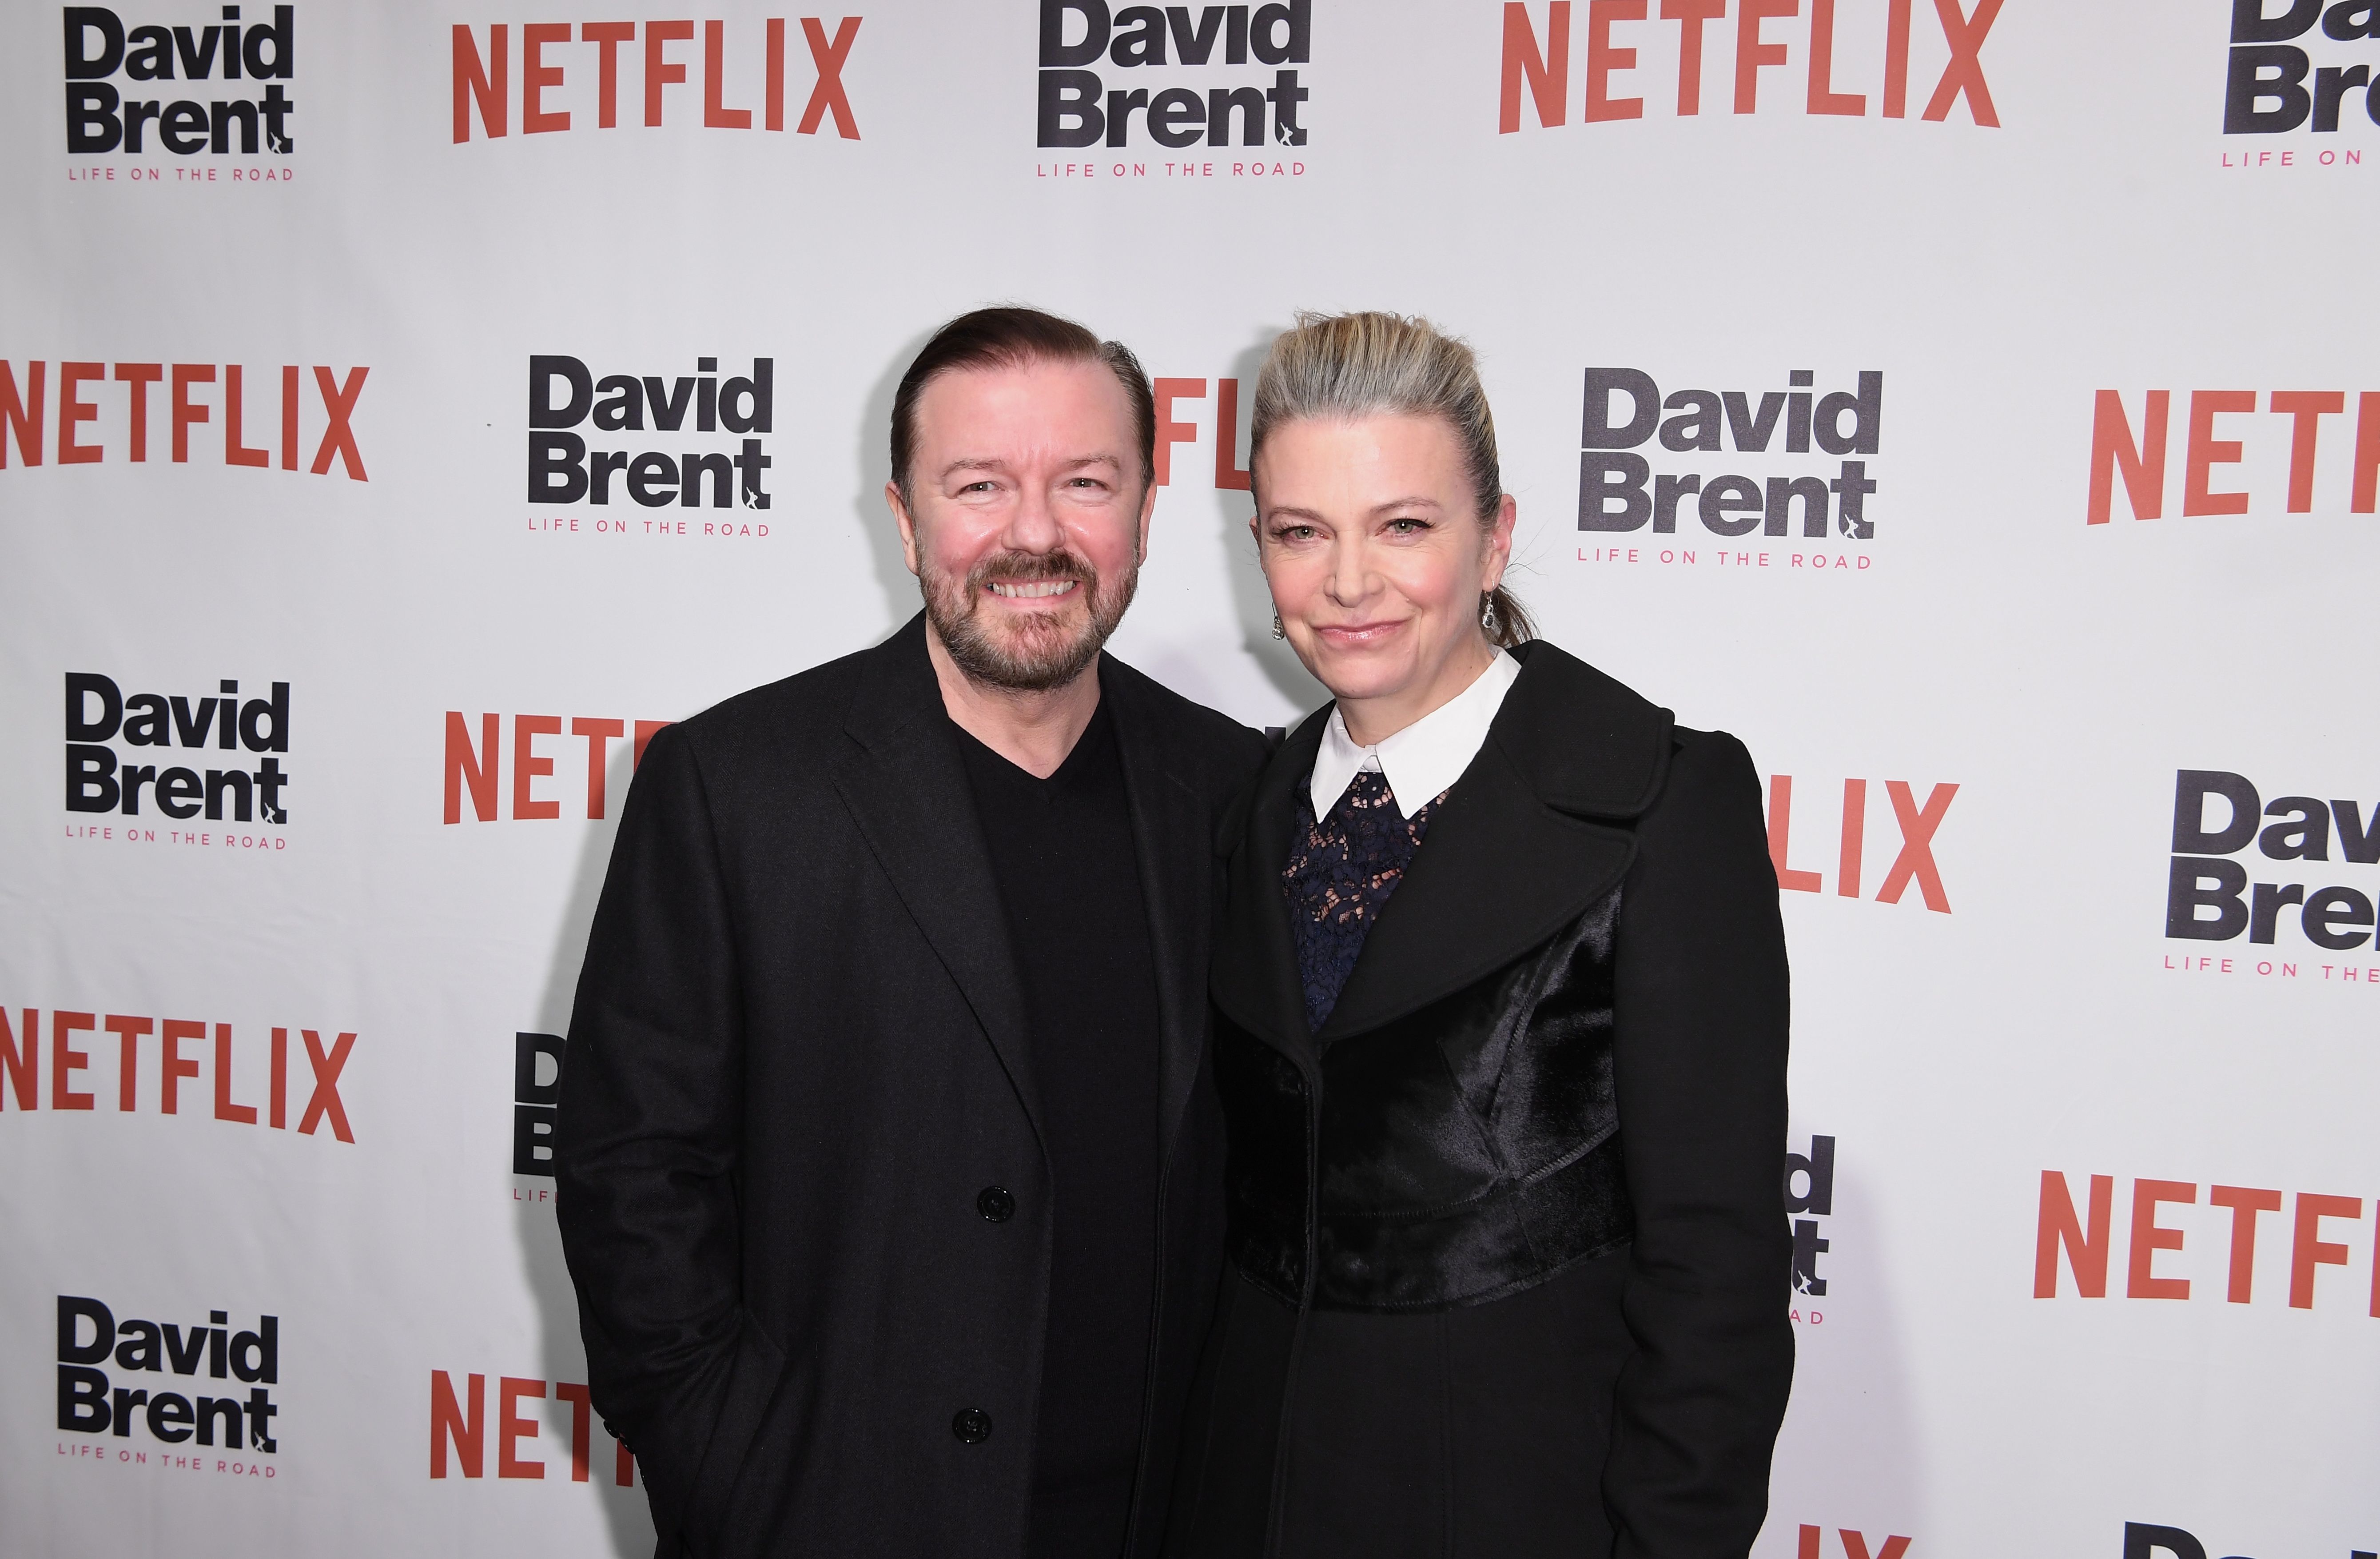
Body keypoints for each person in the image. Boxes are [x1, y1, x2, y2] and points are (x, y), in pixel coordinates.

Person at [555, 307, 1270, 1559]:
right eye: (980, 485)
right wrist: (734, 1464)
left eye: (1085, 483)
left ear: (1147, 514)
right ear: (904, 519)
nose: (1035, 533)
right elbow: (632, 1176)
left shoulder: (1233, 792)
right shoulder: (736, 786)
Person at [1167, 313, 1793, 1558]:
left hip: (1515, 1506)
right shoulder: (1245, 812)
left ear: (1495, 537)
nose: (1349, 584)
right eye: (1303, 533)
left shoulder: (1661, 807)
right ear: (1261, 551)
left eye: (1404, 526)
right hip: (1245, 1502)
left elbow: (1715, 1277)